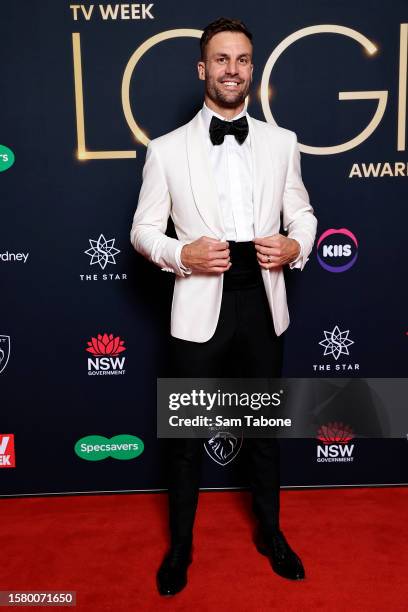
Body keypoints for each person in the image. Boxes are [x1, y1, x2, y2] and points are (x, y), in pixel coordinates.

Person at [130, 17, 317, 596]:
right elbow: (141, 230)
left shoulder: (282, 143)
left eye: (240, 59)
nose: (231, 69)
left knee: (264, 430)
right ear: (202, 69)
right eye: (220, 59)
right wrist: (182, 254)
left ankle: (271, 533)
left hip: (263, 301)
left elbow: (303, 214)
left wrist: (295, 244)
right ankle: (181, 547)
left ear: (251, 68)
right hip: (199, 306)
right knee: (186, 435)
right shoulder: (165, 151)